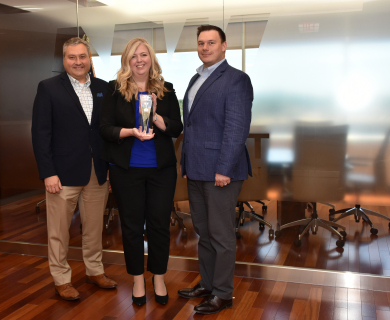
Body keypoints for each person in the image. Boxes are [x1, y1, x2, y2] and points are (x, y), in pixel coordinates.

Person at [32, 37, 117, 301]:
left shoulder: (104, 89)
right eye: (72, 57)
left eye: (82, 57)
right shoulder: (48, 88)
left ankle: (94, 270)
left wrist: (110, 169)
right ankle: (61, 279)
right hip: (62, 172)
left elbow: (107, 133)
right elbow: (40, 133)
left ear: (89, 58)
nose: (78, 62)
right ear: (64, 59)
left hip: (97, 170)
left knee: (94, 227)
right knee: (58, 231)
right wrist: (48, 172)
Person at [100, 38, 183, 306]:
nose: (139, 60)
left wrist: (157, 117)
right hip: (127, 171)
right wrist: (131, 132)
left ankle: (158, 277)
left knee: (159, 225)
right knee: (132, 227)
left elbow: (176, 128)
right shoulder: (114, 91)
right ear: (127, 60)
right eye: (133, 56)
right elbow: (105, 129)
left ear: (151, 59)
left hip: (161, 171)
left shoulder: (166, 90)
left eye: (144, 54)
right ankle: (137, 279)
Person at [177, 25, 253, 314]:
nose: (205, 47)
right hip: (196, 169)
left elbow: (236, 128)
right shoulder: (197, 78)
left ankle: (223, 293)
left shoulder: (236, 80)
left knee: (221, 235)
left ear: (224, 46)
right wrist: (186, 163)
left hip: (221, 172)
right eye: (201, 43)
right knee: (203, 232)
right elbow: (193, 126)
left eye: (211, 42)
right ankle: (207, 284)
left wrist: (224, 169)